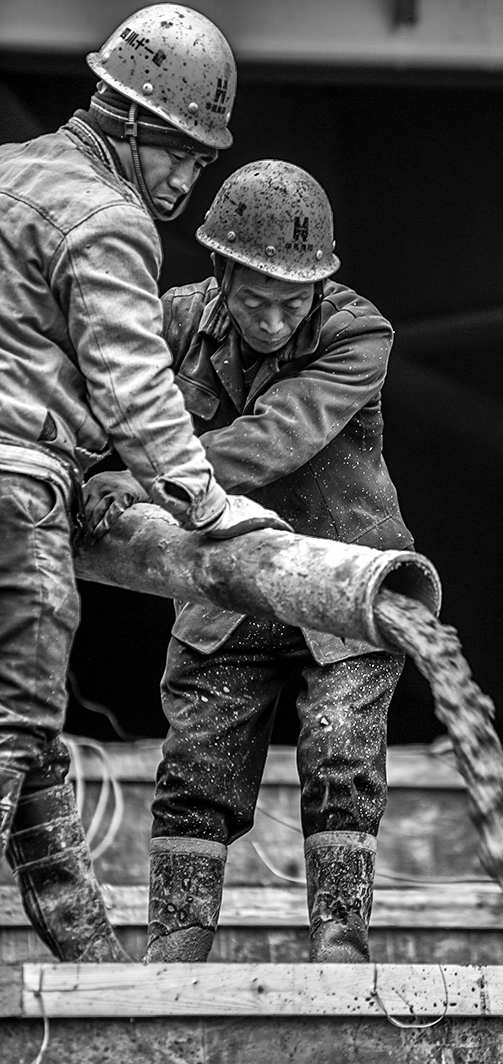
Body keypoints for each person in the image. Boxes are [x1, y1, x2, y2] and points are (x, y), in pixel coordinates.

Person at [0, 7, 288, 963]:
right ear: (131, 128)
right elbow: (135, 387)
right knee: (13, 728)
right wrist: (205, 503)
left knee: (26, 737)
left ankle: (90, 954)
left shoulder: (7, 173)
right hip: (15, 495)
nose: (185, 182)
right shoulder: (108, 217)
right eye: (184, 158)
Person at [85, 160, 415, 964]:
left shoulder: (357, 334)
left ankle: (340, 951)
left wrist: (144, 476)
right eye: (253, 300)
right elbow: (104, 379)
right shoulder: (175, 319)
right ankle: (177, 952)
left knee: (342, 752)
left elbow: (275, 435)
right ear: (221, 273)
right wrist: (74, 459)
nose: (271, 322)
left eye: (290, 303)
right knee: (197, 765)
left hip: (345, 581)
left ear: (318, 289)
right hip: (227, 584)